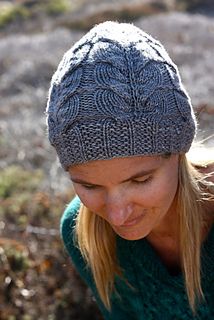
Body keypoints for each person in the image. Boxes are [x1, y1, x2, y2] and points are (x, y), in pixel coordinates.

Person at [46, 21, 214, 319]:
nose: (117, 215)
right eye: (90, 187)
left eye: (140, 180)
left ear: (179, 150)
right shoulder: (82, 233)